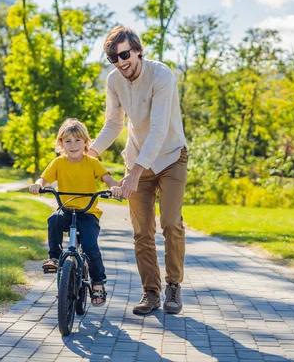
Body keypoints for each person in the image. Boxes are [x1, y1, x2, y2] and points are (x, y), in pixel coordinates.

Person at [87, 26, 188, 315]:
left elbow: (158, 130)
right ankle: (151, 293)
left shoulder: (162, 76)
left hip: (170, 156)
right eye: (113, 58)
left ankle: (173, 287)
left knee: (170, 222)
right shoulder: (114, 81)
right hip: (137, 158)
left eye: (124, 55)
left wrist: (133, 174)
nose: (120, 62)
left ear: (138, 50)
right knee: (142, 231)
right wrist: (89, 154)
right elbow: (114, 124)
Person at [29, 118, 122, 307]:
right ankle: (54, 257)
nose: (73, 145)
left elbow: (108, 178)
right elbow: (43, 179)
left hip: (88, 213)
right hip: (66, 209)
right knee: (54, 220)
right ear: (60, 143)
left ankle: (97, 282)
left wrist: (114, 188)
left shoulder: (92, 162)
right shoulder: (58, 163)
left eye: (78, 140)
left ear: (86, 143)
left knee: (90, 247)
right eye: (68, 141)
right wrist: (38, 185)